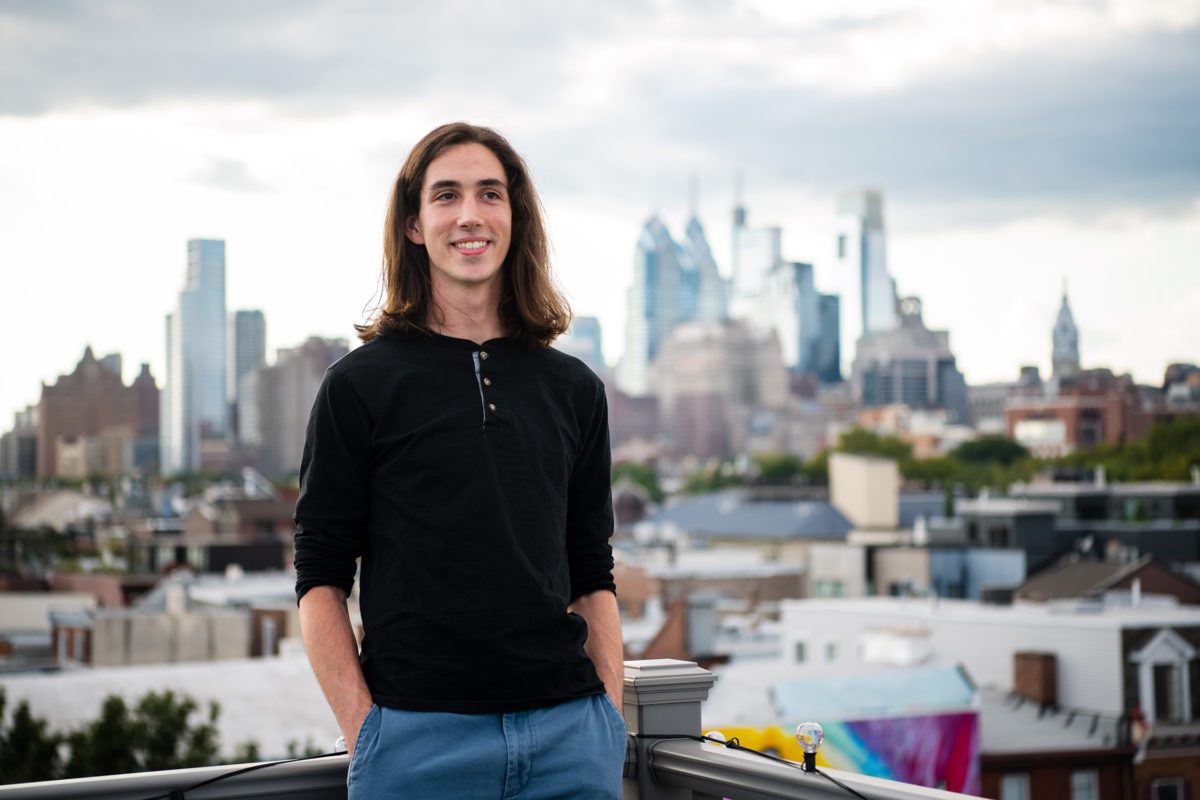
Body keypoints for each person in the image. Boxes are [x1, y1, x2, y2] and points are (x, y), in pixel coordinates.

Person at [293, 122, 625, 799]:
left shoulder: (576, 389)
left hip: (570, 742)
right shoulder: (358, 386)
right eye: (445, 196)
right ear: (414, 224)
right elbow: (319, 576)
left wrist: (607, 721)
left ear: (514, 218)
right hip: (417, 747)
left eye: (489, 195)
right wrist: (368, 733)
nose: (469, 215)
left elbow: (592, 571)